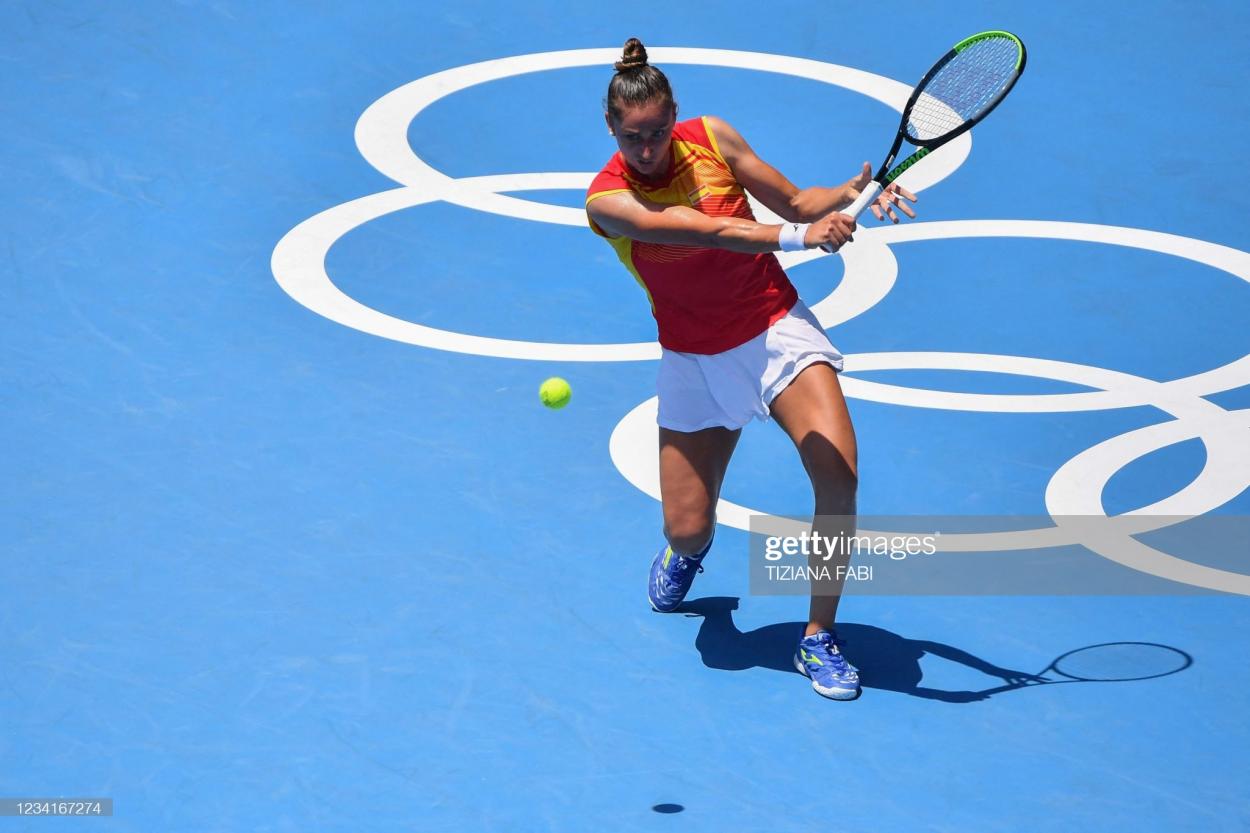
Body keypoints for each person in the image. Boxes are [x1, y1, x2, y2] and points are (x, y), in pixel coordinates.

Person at [585, 38, 917, 700]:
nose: (646, 149)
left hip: (772, 330)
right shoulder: (607, 201)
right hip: (692, 360)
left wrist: (849, 193)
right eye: (632, 139)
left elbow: (796, 202)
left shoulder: (713, 140)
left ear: (674, 116)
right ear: (612, 131)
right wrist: (803, 237)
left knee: (838, 472)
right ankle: (687, 555)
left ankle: (819, 635)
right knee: (687, 525)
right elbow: (707, 230)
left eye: (656, 134)